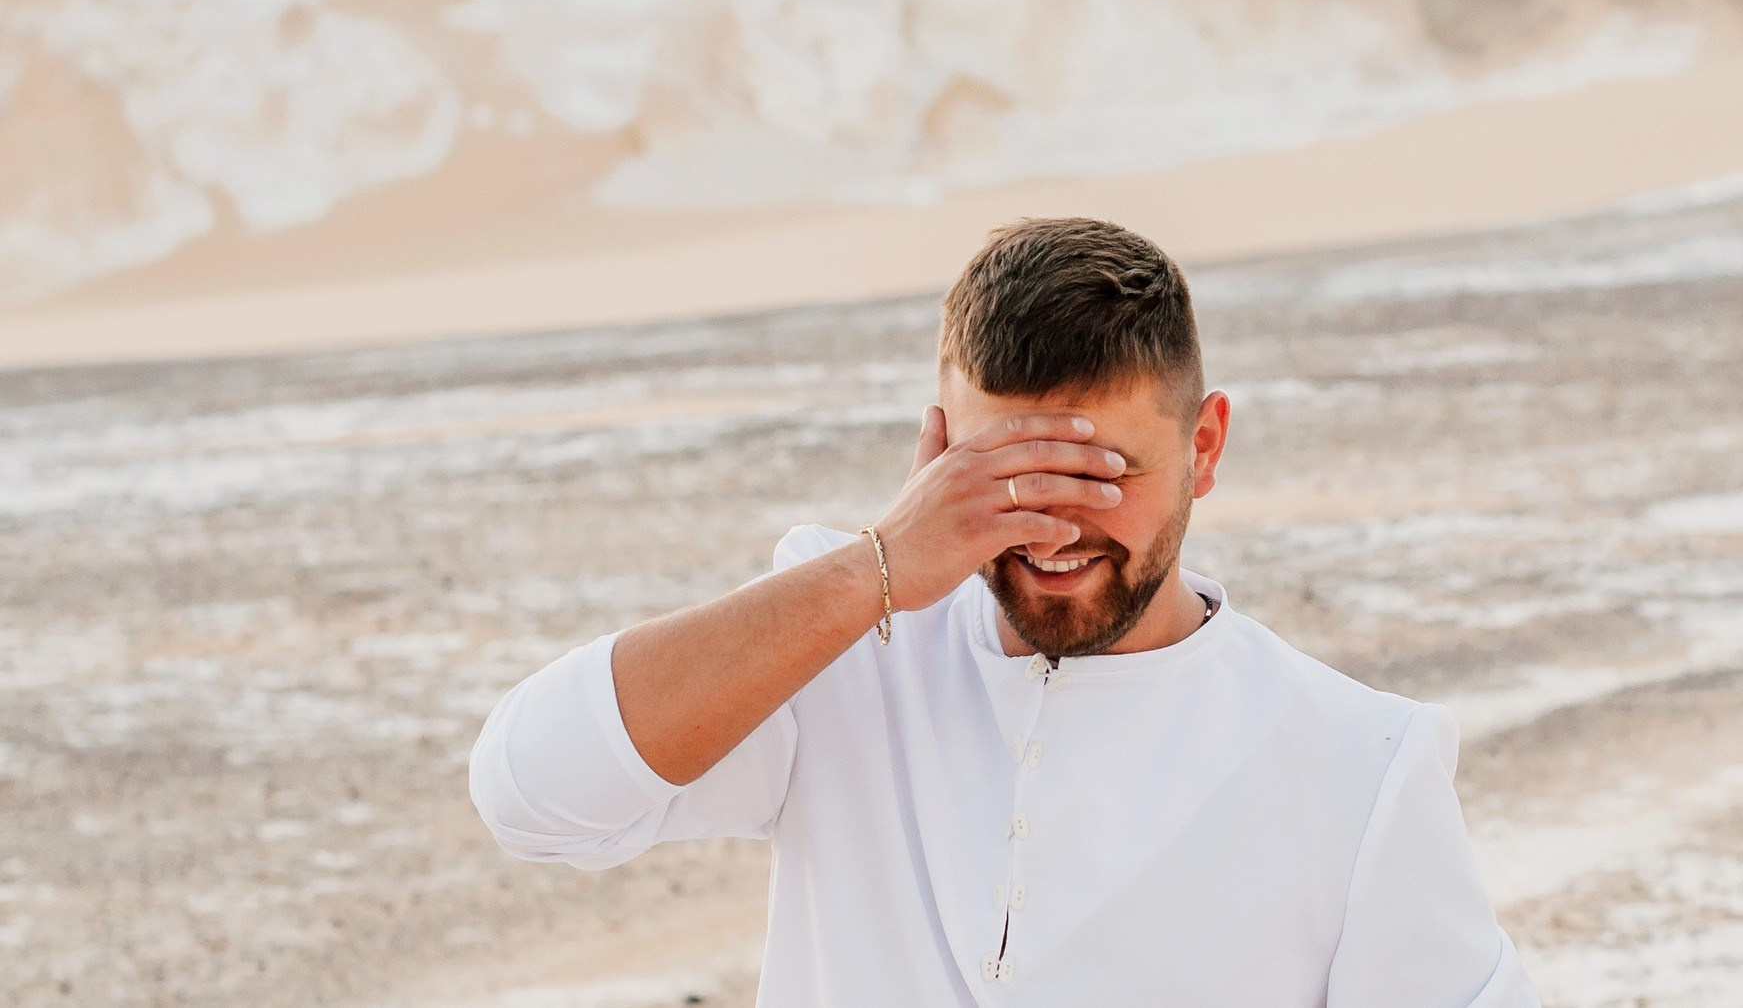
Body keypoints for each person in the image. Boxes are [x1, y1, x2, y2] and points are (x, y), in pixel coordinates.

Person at [469, 216, 1541, 1006]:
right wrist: (874, 570)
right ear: (936, 447)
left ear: (1204, 447)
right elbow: (532, 794)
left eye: (1104, 471)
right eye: (1005, 474)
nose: (1052, 532)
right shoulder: (842, 650)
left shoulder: (1362, 761)